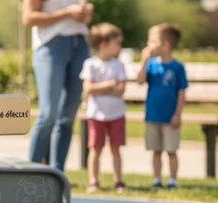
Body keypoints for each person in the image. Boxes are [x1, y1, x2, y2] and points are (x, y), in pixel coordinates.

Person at [22, 0, 94, 171]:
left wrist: (84, 13)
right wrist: (66, 13)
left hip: (79, 45)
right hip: (50, 47)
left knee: (67, 117)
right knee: (48, 114)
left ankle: (57, 174)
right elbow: (28, 18)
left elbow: (83, 15)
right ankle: (31, 173)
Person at [137, 23, 188, 189]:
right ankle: (157, 180)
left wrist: (177, 114)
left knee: (171, 150)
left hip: (170, 117)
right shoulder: (151, 65)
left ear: (165, 44)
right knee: (155, 150)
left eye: (152, 41)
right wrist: (144, 61)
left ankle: (172, 180)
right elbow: (140, 80)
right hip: (153, 115)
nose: (148, 44)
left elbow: (181, 93)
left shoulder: (177, 67)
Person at [79, 23, 128, 192]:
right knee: (95, 148)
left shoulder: (119, 65)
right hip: (96, 114)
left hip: (116, 114)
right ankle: (93, 181)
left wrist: (99, 88)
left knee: (116, 149)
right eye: (117, 43)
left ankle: (118, 181)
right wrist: (109, 85)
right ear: (103, 44)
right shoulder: (90, 64)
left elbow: (120, 89)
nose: (120, 47)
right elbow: (88, 88)